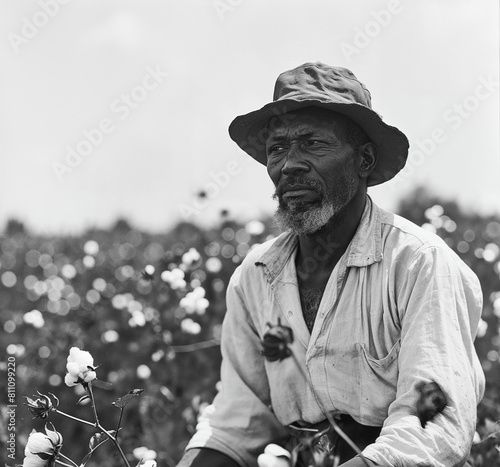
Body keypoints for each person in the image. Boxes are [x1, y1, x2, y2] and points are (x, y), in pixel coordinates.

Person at [175, 62, 485, 466]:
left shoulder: (416, 263)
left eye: (312, 144)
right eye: (277, 148)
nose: (289, 165)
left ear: (364, 160)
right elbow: (236, 425)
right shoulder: (255, 278)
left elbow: (433, 424)